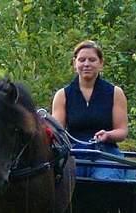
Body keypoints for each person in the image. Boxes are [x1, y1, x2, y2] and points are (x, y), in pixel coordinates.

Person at [52, 40, 128, 180]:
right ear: (75, 64)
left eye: (92, 60)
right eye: (82, 60)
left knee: (106, 183)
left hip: (105, 153)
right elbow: (57, 133)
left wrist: (108, 135)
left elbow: (122, 131)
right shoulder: (62, 95)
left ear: (101, 63)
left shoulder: (115, 93)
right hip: (73, 154)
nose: (86, 64)